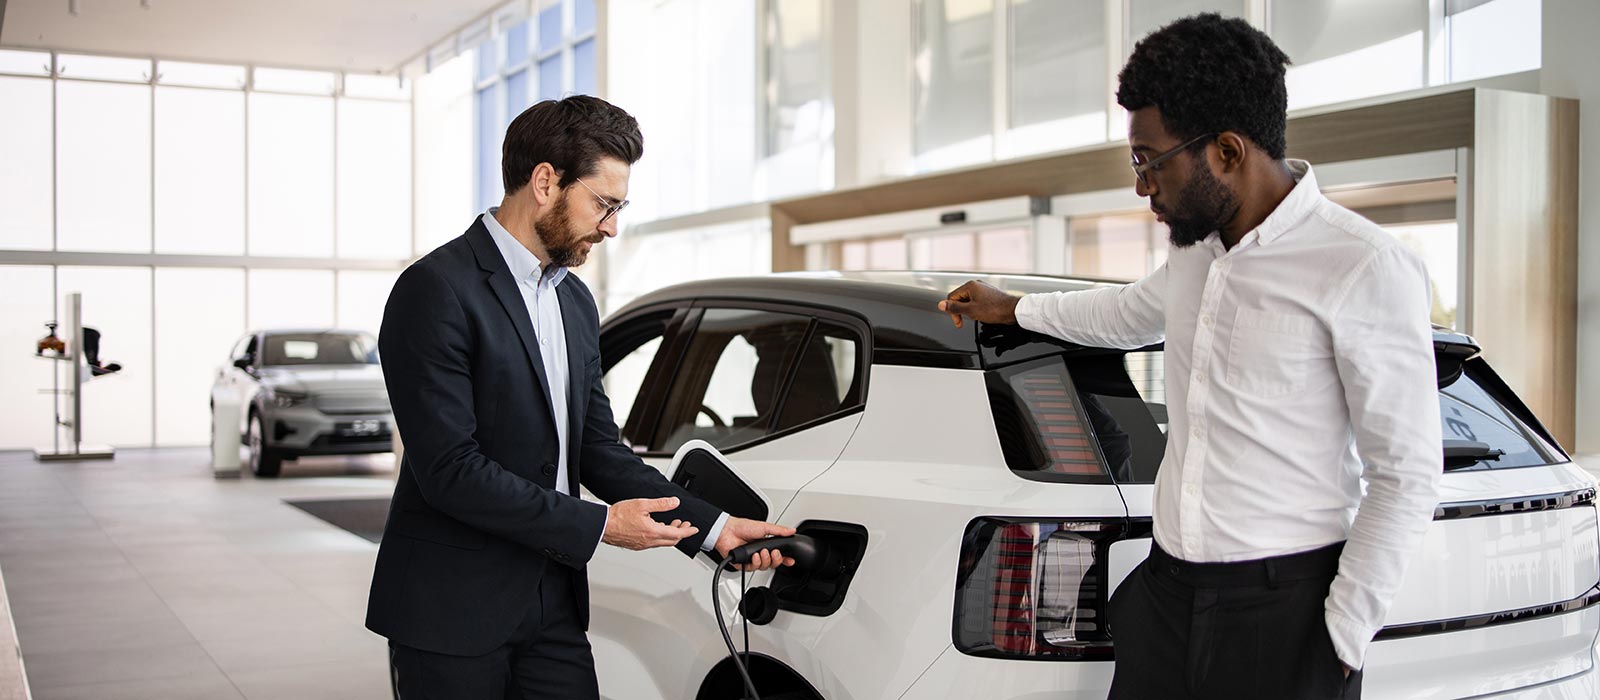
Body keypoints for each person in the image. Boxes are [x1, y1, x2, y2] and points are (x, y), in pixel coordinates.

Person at [940, 14, 1440, 699]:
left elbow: (1405, 474)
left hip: (1283, 615)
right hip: (1167, 597)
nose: (1143, 186)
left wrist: (1340, 640)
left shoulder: (1362, 266)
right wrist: (1014, 307)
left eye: (1150, 160)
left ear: (1227, 152)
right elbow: (1121, 315)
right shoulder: (1195, 252)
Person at [368, 95, 795, 699]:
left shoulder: (573, 299)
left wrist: (714, 528)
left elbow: (598, 450)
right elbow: (448, 471)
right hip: (451, 609)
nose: (612, 226)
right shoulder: (435, 290)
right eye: (604, 204)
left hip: (553, 602)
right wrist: (600, 524)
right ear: (545, 182)